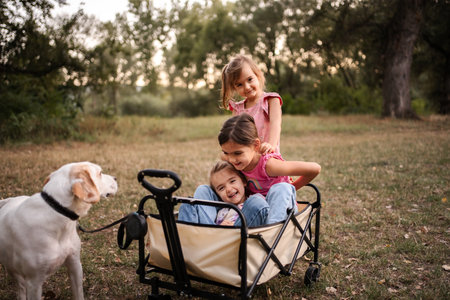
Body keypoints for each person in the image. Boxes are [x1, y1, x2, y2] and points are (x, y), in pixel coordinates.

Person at [218, 113, 321, 223]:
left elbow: (314, 169)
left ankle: (271, 234)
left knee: (281, 188)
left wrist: (293, 187)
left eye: (237, 153)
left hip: (281, 213)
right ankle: (210, 230)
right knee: (208, 189)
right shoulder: (236, 160)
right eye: (227, 153)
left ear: (256, 145)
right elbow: (223, 156)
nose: (232, 159)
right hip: (257, 211)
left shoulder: (268, 165)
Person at [221, 54, 282, 154]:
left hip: (267, 156)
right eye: (239, 84)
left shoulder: (271, 100)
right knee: (222, 168)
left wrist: (271, 145)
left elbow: (276, 124)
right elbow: (234, 134)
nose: (247, 87)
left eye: (250, 79)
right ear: (234, 88)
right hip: (246, 161)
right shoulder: (238, 109)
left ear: (257, 75)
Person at [178, 160, 270, 227]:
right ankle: (202, 236)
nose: (229, 189)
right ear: (217, 194)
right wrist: (220, 228)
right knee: (188, 203)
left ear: (243, 181)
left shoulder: (254, 201)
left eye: (232, 181)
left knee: (256, 202)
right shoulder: (221, 211)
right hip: (217, 238)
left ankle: (211, 233)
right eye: (221, 188)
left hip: (240, 238)